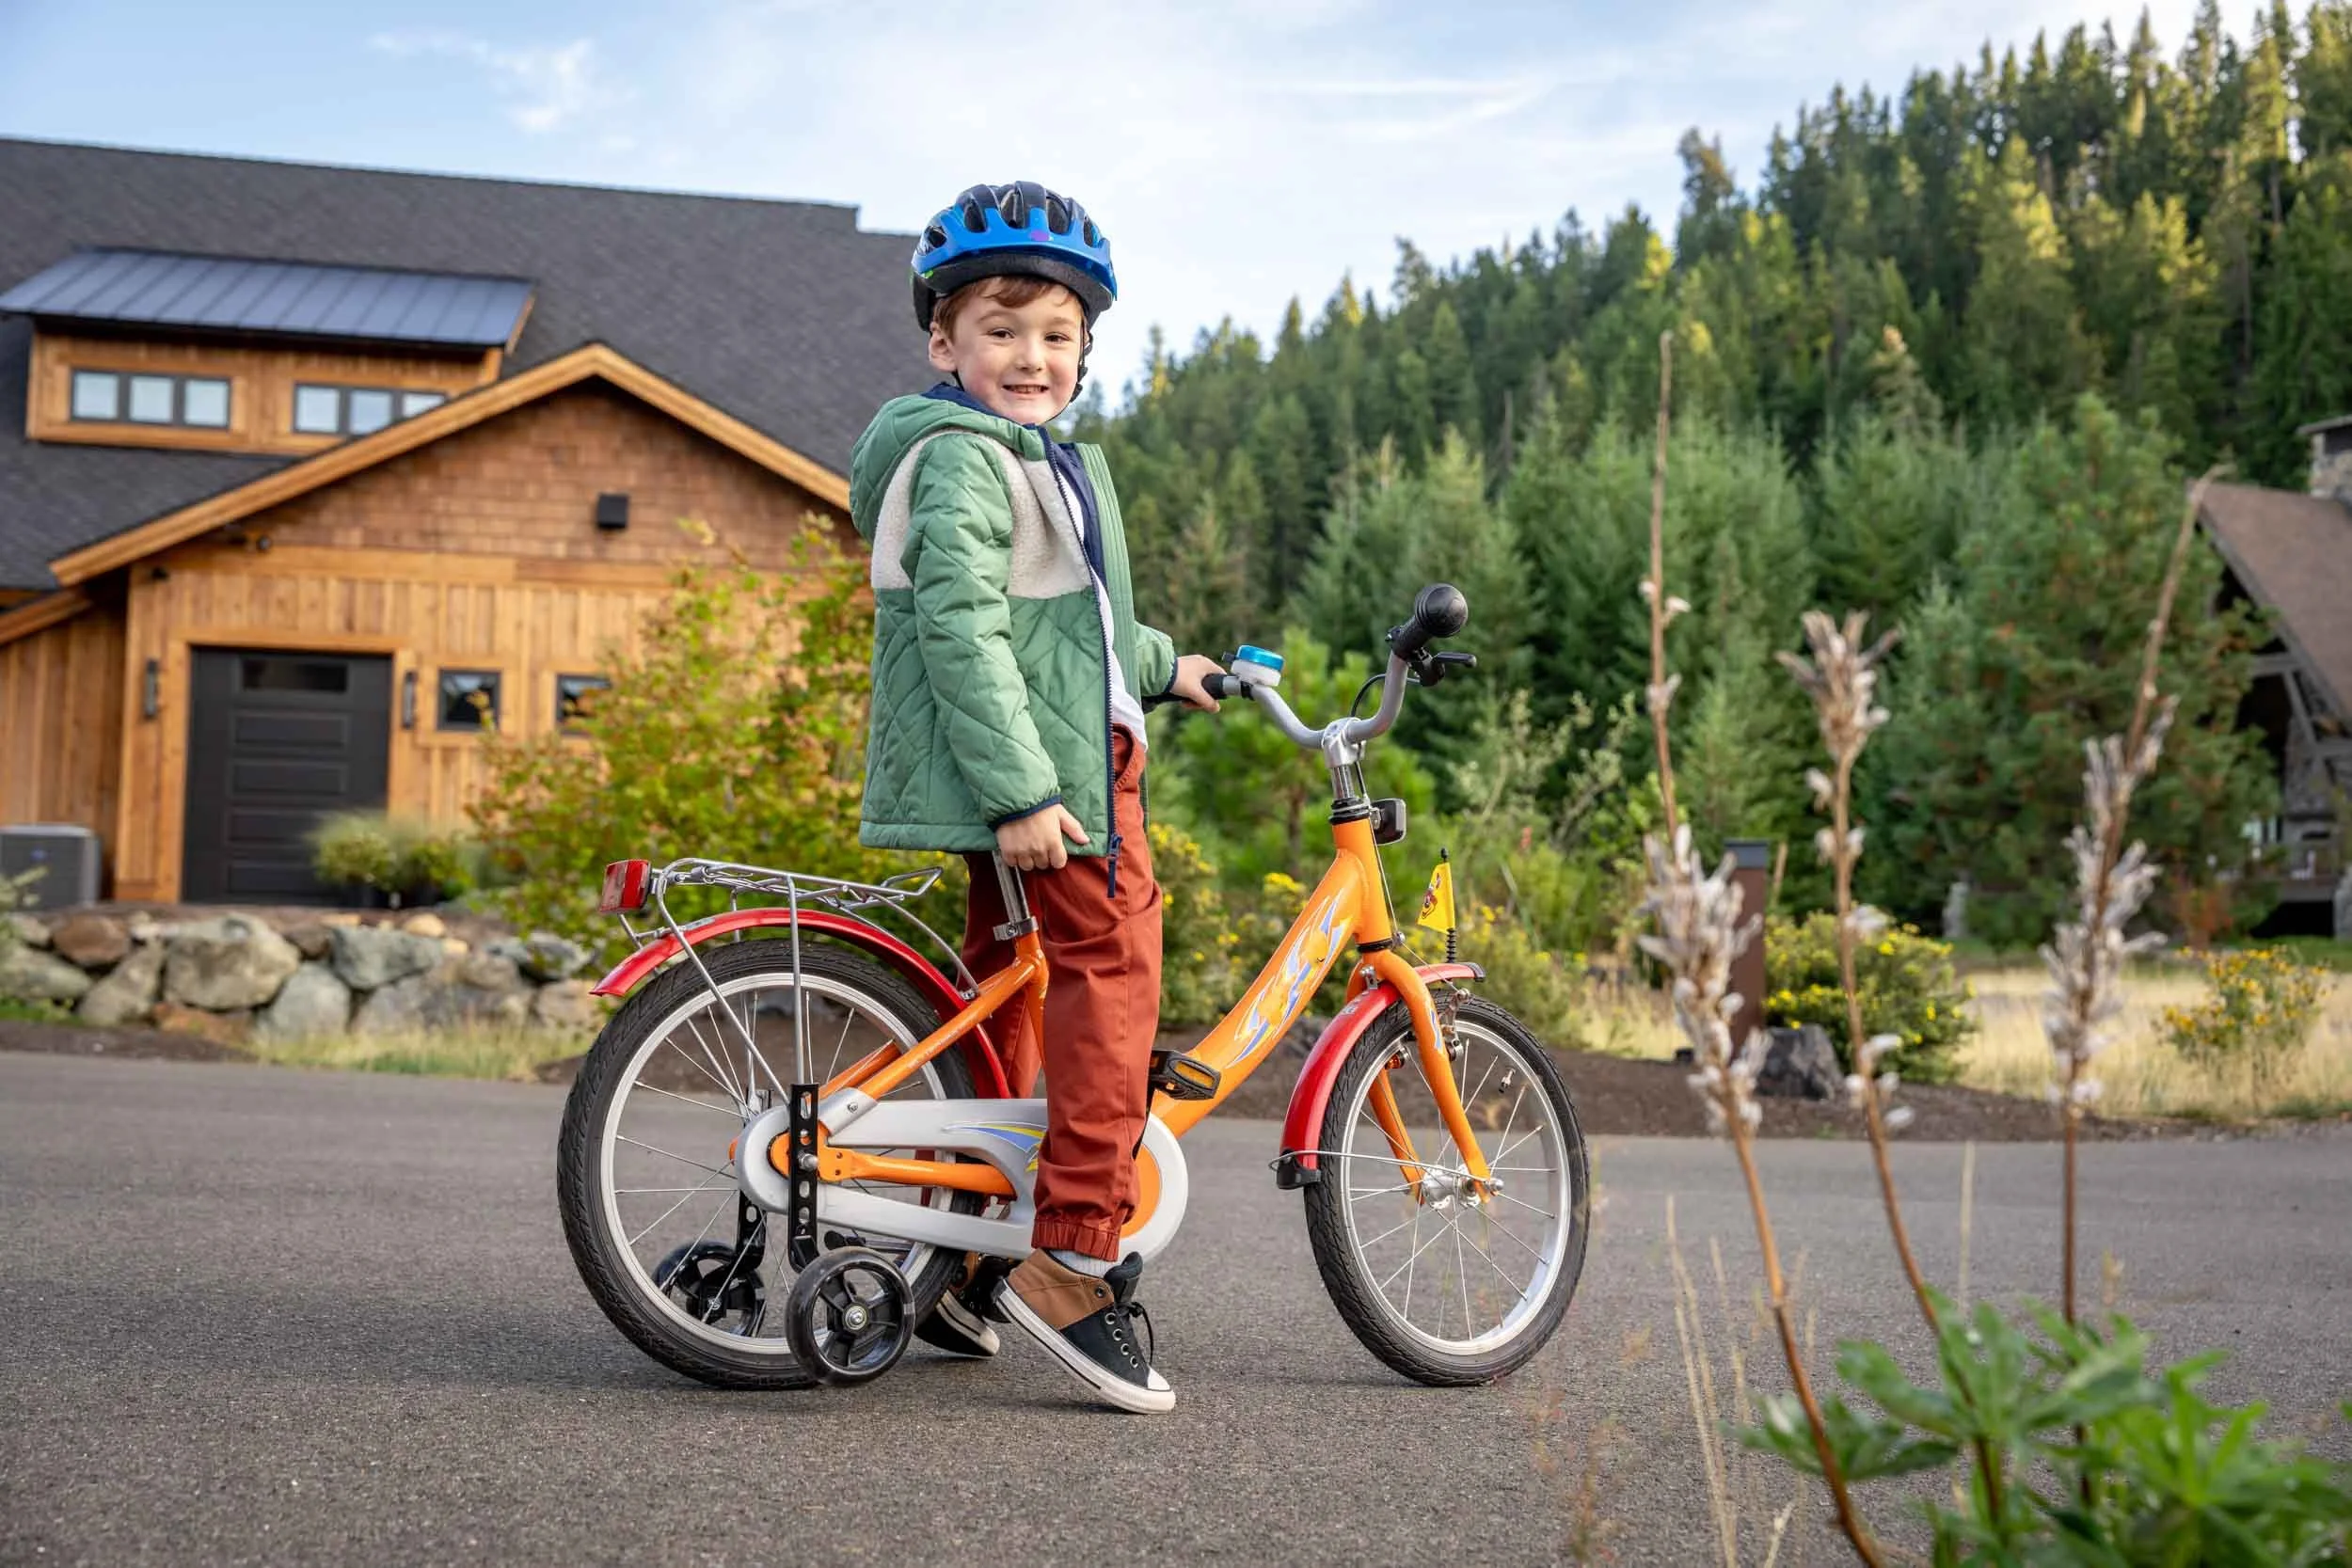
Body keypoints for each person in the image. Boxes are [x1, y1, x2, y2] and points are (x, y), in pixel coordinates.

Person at [847, 181, 1225, 1415]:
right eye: (1001, 330)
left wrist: (1173, 667)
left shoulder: (1031, 463)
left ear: (1085, 349)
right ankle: (1068, 1256)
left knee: (1002, 991)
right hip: (1048, 781)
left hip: (1049, 757)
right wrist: (1021, 790)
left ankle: (967, 1257)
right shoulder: (962, 457)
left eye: (1056, 335)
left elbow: (1078, 634)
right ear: (942, 343)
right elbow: (963, 627)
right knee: (1115, 972)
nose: (1031, 356)